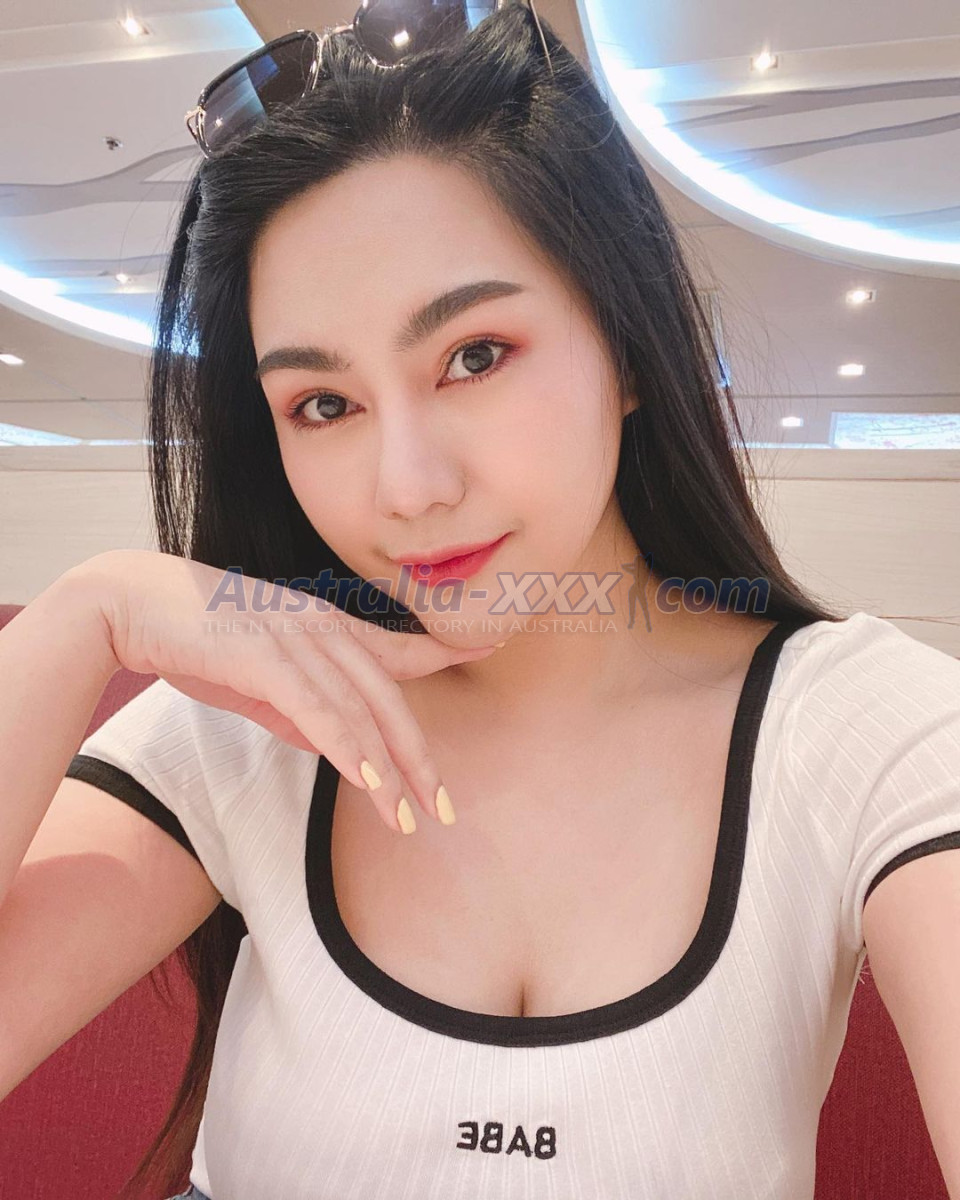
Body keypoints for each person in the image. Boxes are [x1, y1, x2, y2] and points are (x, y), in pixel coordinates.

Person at [0, 4, 958, 1199]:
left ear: (628, 348)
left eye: (474, 356)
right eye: (323, 405)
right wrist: (81, 619)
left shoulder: (869, 735)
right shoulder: (257, 720)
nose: (407, 489)